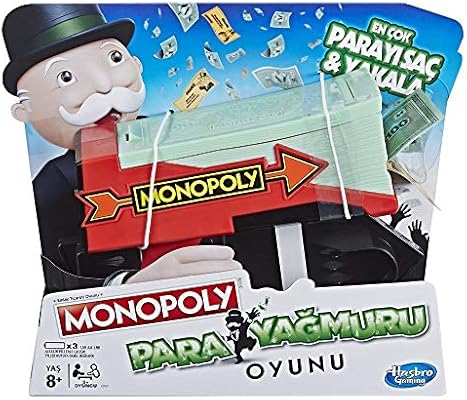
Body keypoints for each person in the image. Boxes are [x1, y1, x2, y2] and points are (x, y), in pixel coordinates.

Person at [3, 4, 241, 293]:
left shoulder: (179, 139)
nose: (104, 85)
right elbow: (51, 279)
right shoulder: (52, 187)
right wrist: (126, 285)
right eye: (66, 78)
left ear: (137, 65)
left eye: (114, 59)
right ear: (25, 111)